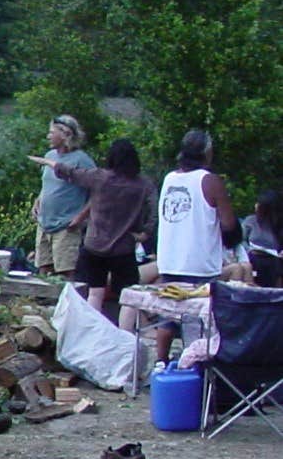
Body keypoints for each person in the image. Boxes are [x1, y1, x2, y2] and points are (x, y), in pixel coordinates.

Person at [30, 138, 154, 318]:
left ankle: (93, 335)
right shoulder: (143, 184)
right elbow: (153, 212)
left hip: (94, 246)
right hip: (124, 247)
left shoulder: (100, 177)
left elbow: (71, 172)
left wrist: (49, 162)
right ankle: (127, 337)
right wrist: (145, 234)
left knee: (95, 293)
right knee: (128, 297)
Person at [152, 128, 240, 363]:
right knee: (201, 322)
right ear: (207, 153)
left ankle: (161, 364)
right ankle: (197, 368)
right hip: (199, 263)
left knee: (167, 316)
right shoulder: (209, 181)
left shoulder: (169, 179)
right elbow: (229, 224)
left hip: (170, 259)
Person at [33, 114, 95, 276]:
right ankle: (41, 300)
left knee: (66, 271)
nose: (48, 136)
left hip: (66, 225)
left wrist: (81, 217)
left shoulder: (82, 160)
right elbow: (48, 183)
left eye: (52, 132)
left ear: (65, 134)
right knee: (43, 267)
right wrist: (39, 200)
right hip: (44, 222)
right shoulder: (49, 156)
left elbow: (97, 192)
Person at [244, 188, 283, 288]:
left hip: (275, 258)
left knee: (277, 264)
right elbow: (241, 241)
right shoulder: (250, 221)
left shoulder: (278, 225)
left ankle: (277, 294)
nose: (256, 205)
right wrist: (248, 249)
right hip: (253, 256)